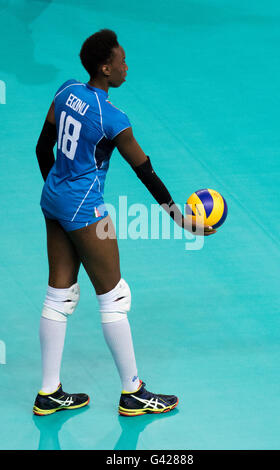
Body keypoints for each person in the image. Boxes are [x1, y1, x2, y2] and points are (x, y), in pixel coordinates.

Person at [33, 29, 216, 417]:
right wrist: (182, 220)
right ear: (105, 67)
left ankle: (48, 392)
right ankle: (132, 393)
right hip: (84, 211)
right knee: (115, 296)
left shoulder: (65, 91)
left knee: (59, 296)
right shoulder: (113, 118)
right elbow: (145, 172)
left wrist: (60, 190)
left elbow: (41, 147)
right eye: (121, 60)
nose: (125, 66)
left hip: (54, 199)